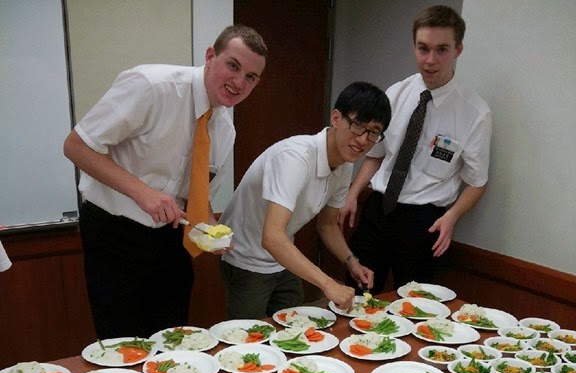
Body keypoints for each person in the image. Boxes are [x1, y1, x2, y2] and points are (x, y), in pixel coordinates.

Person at [63, 24, 267, 339]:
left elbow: (198, 195)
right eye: (233, 66)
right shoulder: (152, 86)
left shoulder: (226, 130)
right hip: (114, 232)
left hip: (171, 240)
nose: (239, 82)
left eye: (251, 77)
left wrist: (211, 230)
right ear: (210, 56)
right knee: (123, 342)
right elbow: (76, 146)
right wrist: (143, 193)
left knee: (173, 338)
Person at [338, 5, 492, 293]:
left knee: (412, 305)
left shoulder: (474, 112)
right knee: (357, 295)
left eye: (441, 50)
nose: (430, 60)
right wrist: (352, 194)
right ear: (414, 47)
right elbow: (376, 154)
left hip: (423, 221)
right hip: (378, 208)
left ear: (458, 50)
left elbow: (477, 182)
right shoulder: (396, 94)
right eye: (423, 49)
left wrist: (452, 216)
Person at [219, 81, 391, 318]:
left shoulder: (344, 164)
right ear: (336, 118)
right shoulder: (296, 157)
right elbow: (271, 237)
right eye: (358, 126)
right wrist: (328, 284)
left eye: (373, 132)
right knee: (250, 335)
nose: (363, 140)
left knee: (295, 328)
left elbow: (327, 225)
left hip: (282, 256)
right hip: (247, 257)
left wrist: (352, 262)